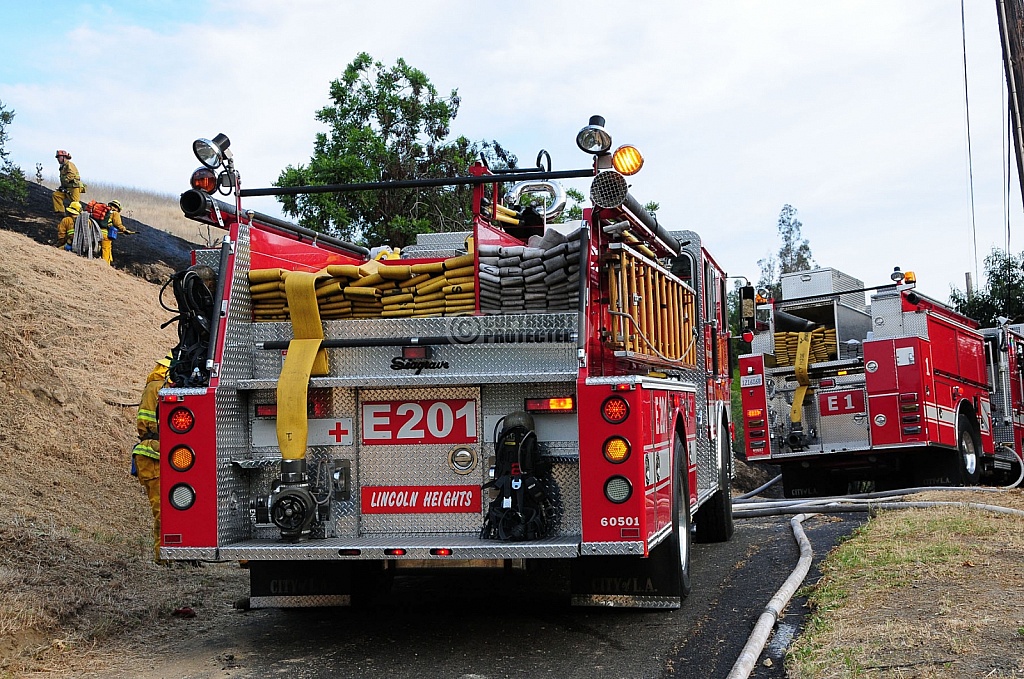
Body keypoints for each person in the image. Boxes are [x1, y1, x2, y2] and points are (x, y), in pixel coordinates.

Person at [131, 352, 174, 563]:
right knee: (163, 509)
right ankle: (163, 556)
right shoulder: (161, 387)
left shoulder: (155, 387)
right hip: (153, 455)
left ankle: (174, 553)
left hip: (156, 453)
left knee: (170, 507)